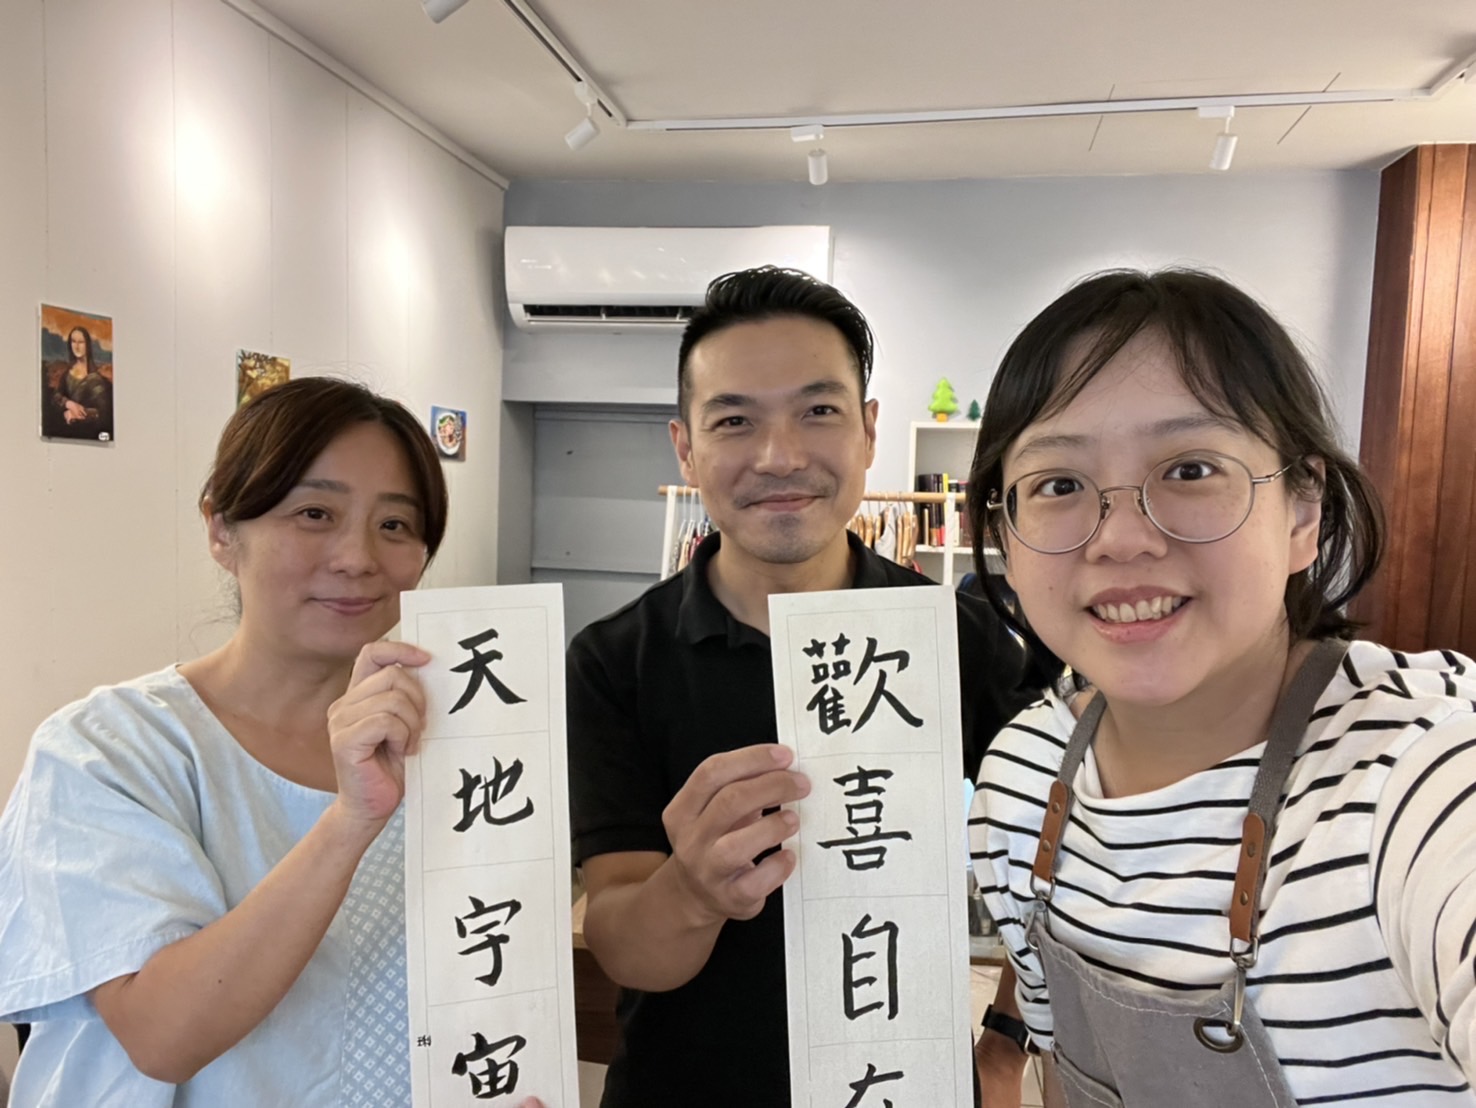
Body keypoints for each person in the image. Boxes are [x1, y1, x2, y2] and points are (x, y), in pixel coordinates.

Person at [966, 268, 1476, 1106]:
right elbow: (1057, 1076)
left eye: (1191, 468)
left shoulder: (1416, 775)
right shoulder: (1023, 777)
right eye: (1060, 485)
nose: (1122, 539)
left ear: (1303, 512)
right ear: (1005, 537)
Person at [0, 376, 550, 1108]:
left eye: (395, 525)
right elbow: (163, 1036)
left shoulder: (460, 749)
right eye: (314, 513)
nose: (358, 557)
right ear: (221, 529)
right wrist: (350, 821)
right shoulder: (108, 750)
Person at [567, 266, 1043, 1107]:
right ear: (685, 448)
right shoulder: (615, 661)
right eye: (735, 420)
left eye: (818, 411)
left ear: (868, 431)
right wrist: (693, 889)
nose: (780, 456)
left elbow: (1058, 860)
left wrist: (1006, 1040)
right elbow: (623, 944)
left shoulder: (957, 637)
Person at [43, 325, 113, 440]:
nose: (76, 346)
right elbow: (56, 397)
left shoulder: (97, 379)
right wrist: (69, 404)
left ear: (87, 345)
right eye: (73, 341)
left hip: (90, 434)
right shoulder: (67, 374)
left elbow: (103, 413)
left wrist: (78, 414)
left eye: (81, 342)